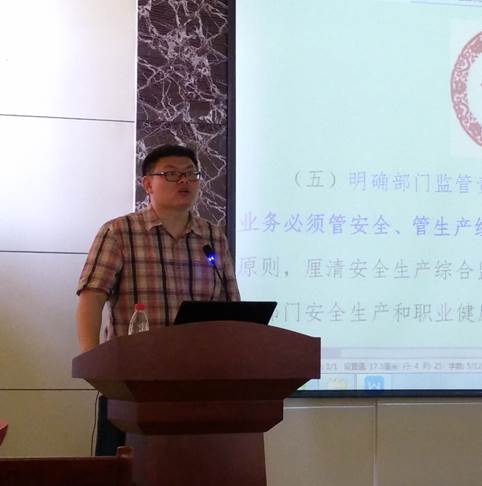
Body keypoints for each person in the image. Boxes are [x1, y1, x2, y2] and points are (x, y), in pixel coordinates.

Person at [76, 144, 240, 455]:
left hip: (199, 382)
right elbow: (92, 294)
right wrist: (91, 360)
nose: (185, 181)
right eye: (172, 174)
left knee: (196, 469)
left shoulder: (213, 237)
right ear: (147, 184)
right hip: (133, 384)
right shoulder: (119, 232)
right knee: (128, 470)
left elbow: (231, 304)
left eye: (191, 174)